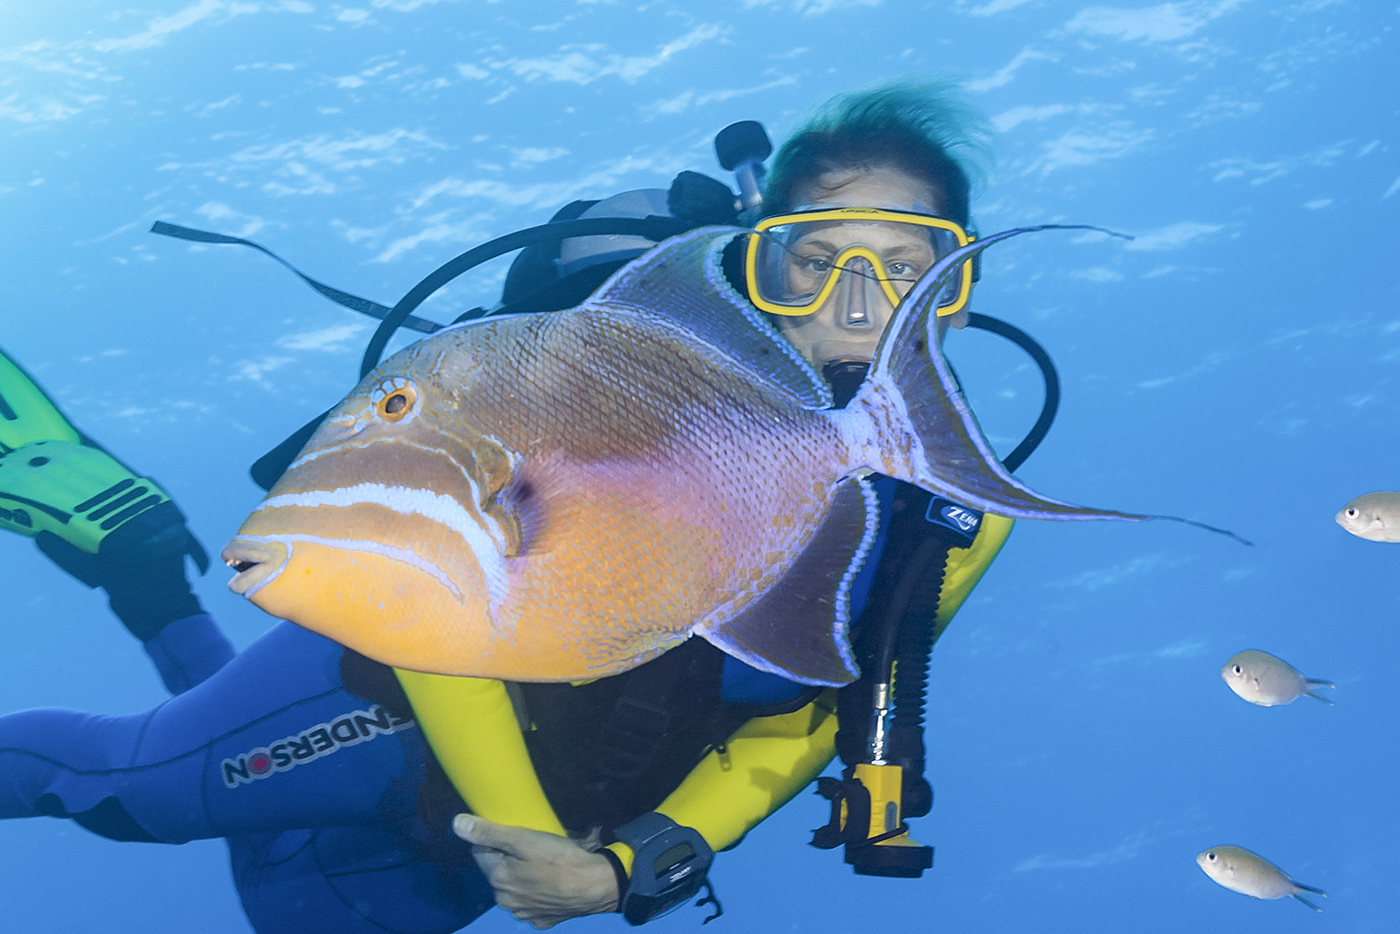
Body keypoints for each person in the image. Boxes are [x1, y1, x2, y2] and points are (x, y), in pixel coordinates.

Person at [0, 77, 1016, 931]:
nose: (855, 299)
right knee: (137, 788)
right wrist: (524, 832)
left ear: (955, 278)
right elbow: (444, 619)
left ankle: (140, 556)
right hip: (398, 717)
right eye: (815, 256)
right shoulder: (618, 382)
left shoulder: (949, 509)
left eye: (902, 263)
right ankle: (131, 559)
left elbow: (825, 705)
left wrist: (630, 867)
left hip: (549, 830)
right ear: (762, 259)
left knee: (290, 890)